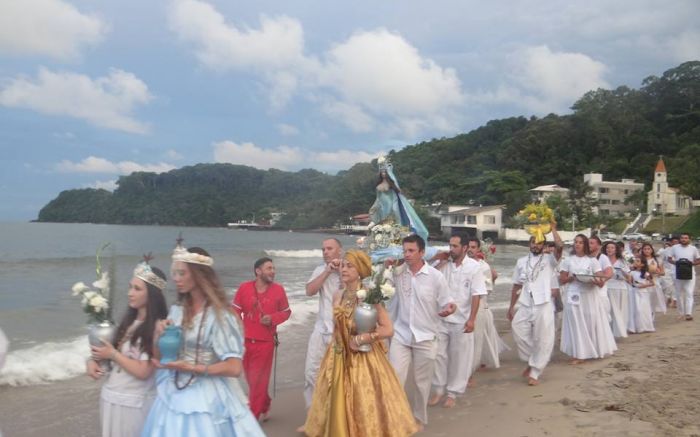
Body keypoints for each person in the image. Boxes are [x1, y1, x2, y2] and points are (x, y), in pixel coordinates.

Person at [141, 242, 264, 437]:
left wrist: (195, 368)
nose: (176, 279)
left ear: (198, 275)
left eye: (182, 273)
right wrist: (157, 335)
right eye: (175, 273)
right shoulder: (176, 311)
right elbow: (160, 356)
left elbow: (234, 368)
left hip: (207, 395)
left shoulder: (221, 316)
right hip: (173, 390)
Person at [303, 250, 418, 437]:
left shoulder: (370, 296)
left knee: (363, 402)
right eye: (342, 265)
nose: (344, 269)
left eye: (350, 266)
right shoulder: (337, 295)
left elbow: (388, 329)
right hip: (338, 356)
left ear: (361, 270)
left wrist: (361, 339)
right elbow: (336, 328)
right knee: (334, 401)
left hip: (364, 359)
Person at [86, 257, 168, 437]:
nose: (130, 293)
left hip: (134, 404)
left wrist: (113, 354)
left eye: (137, 289)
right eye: (130, 287)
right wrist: (93, 361)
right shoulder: (127, 322)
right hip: (111, 398)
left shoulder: (157, 327)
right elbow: (112, 356)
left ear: (152, 294)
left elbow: (144, 371)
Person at [388, 234, 456, 431]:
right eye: (405, 250)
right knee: (394, 378)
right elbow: (382, 290)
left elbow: (448, 301)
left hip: (426, 337)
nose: (407, 254)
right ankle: (395, 417)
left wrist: (450, 308)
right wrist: (386, 268)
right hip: (401, 334)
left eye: (411, 251)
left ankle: (419, 418)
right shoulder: (398, 273)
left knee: (421, 383)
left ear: (422, 252)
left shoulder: (436, 277)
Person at [427, 234, 486, 408]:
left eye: (454, 246)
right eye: (450, 245)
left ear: (465, 247)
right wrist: (440, 261)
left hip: (462, 320)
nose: (451, 249)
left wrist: (472, 320)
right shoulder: (445, 265)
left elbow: (477, 294)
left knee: (460, 358)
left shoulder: (474, 267)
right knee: (438, 355)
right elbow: (430, 278)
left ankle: (453, 392)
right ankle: (438, 389)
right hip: (441, 318)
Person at [232, 257, 291, 421]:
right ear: (258, 271)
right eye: (269, 268)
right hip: (245, 341)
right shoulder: (244, 288)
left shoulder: (279, 290)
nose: (273, 271)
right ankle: (264, 404)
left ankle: (252, 417)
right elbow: (235, 311)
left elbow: (286, 312)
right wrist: (236, 330)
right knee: (252, 380)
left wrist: (273, 318)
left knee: (258, 380)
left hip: (265, 342)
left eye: (273, 268)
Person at [508, 222, 563, 385]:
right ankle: (533, 360)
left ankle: (535, 372)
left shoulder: (549, 260)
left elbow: (560, 245)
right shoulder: (521, 261)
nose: (535, 245)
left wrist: (552, 228)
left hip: (544, 303)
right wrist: (511, 306)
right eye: (533, 242)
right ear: (529, 244)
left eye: (539, 243)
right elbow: (517, 285)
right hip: (526, 302)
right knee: (518, 330)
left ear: (544, 245)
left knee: (544, 338)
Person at [559, 234, 617, 363]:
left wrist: (594, 280)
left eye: (581, 242)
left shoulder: (592, 261)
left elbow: (601, 281)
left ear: (585, 245)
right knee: (575, 323)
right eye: (576, 242)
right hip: (573, 294)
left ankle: (591, 350)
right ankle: (578, 354)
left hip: (589, 295)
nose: (578, 244)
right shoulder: (568, 260)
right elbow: (561, 280)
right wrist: (572, 278)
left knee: (590, 322)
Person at [302, 238, 342, 411]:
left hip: (341, 332)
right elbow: (309, 291)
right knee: (311, 371)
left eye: (329, 248)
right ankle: (314, 415)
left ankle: (337, 415)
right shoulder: (320, 269)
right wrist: (326, 272)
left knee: (339, 375)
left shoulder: (349, 268)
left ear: (339, 250)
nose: (325, 252)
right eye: (323, 249)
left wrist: (341, 270)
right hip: (321, 328)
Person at [467, 238, 508, 377]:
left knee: (480, 337)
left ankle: (473, 368)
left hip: (480, 304)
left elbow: (487, 289)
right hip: (464, 307)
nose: (470, 249)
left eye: (473, 247)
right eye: (469, 246)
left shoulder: (483, 267)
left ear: (479, 249)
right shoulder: (462, 264)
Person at [368, 156, 428, 243]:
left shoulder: (391, 183)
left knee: (394, 221)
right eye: (382, 172)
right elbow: (378, 197)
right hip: (382, 205)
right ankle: (385, 238)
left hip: (391, 204)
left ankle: (397, 238)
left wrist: (394, 205)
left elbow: (395, 195)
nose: (383, 174)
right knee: (383, 222)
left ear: (387, 173)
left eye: (385, 172)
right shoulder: (379, 184)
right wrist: (376, 205)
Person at [667, 233, 700, 320]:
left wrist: (691, 264)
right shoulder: (675, 247)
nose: (684, 240)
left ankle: (688, 313)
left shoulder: (693, 249)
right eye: (682, 238)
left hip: (690, 273)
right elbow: (669, 258)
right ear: (680, 239)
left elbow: (698, 260)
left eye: (686, 238)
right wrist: (677, 264)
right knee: (679, 294)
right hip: (678, 273)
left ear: (689, 239)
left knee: (689, 293)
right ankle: (681, 313)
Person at [602, 241, 630, 338]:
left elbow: (629, 277)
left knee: (619, 310)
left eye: (612, 248)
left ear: (616, 250)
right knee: (607, 309)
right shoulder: (603, 260)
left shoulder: (622, 261)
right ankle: (608, 332)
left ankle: (619, 331)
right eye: (607, 248)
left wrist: (622, 271)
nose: (609, 250)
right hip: (607, 287)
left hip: (620, 287)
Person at [627, 256, 655, 333]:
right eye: (635, 261)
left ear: (642, 264)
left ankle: (646, 326)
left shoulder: (646, 274)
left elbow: (652, 283)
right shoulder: (632, 273)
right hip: (635, 292)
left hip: (643, 292)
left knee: (644, 309)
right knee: (637, 309)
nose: (635, 262)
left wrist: (644, 285)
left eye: (638, 261)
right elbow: (629, 282)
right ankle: (636, 327)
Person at [640, 242, 667, 316]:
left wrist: (657, 273)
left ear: (652, 250)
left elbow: (663, 272)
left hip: (654, 282)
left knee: (652, 302)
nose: (647, 251)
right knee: (644, 301)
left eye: (648, 249)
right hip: (643, 282)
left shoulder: (657, 260)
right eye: (645, 249)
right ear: (642, 250)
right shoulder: (639, 260)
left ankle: (651, 317)